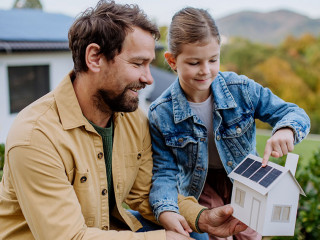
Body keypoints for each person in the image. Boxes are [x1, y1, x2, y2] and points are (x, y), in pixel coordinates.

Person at [0, 1, 247, 240]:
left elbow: (147, 191)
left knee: (196, 232)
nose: (149, 78)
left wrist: (202, 218)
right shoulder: (35, 138)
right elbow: (68, 237)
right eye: (138, 64)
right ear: (95, 57)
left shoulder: (132, 119)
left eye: (149, 64)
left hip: (106, 229)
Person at [148, 7, 310, 240]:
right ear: (172, 61)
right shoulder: (160, 113)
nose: (206, 70)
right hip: (200, 186)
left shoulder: (241, 90)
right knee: (217, 232)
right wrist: (165, 208)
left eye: (213, 60)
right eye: (194, 63)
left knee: (250, 233)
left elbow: (292, 112)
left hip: (247, 179)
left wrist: (287, 129)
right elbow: (164, 171)